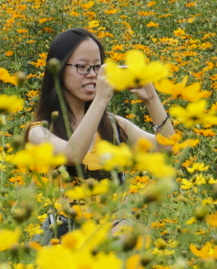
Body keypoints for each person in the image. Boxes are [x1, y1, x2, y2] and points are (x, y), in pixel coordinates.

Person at [27, 29, 175, 170]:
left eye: (97, 66)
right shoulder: (39, 132)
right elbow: (72, 155)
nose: (92, 74)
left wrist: (151, 99)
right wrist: (101, 99)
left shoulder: (114, 126)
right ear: (58, 69)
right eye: (82, 66)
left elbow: (168, 149)